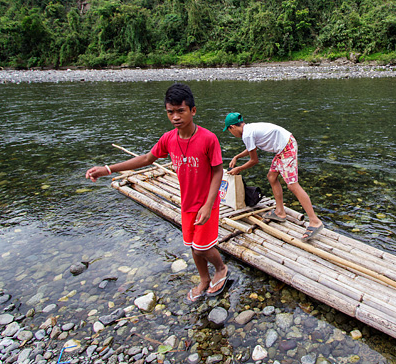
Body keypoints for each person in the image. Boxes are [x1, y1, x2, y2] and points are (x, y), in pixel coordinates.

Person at [86, 84, 229, 302]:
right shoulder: (168, 139)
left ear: (193, 111)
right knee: (192, 246)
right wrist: (108, 169)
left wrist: (209, 204)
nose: (175, 117)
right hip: (187, 202)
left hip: (206, 202)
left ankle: (220, 268)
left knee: (202, 248)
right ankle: (203, 279)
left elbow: (218, 171)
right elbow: (145, 159)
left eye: (181, 111)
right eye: (170, 112)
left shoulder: (208, 138)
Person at [223, 112, 323, 241]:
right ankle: (280, 212)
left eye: (230, 131)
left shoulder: (247, 134)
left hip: (287, 147)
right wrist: (237, 157)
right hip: (282, 148)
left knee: (292, 185)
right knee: (271, 177)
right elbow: (251, 148)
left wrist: (239, 168)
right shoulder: (249, 129)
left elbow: (254, 160)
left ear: (232, 127)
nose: (232, 134)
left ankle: (315, 221)